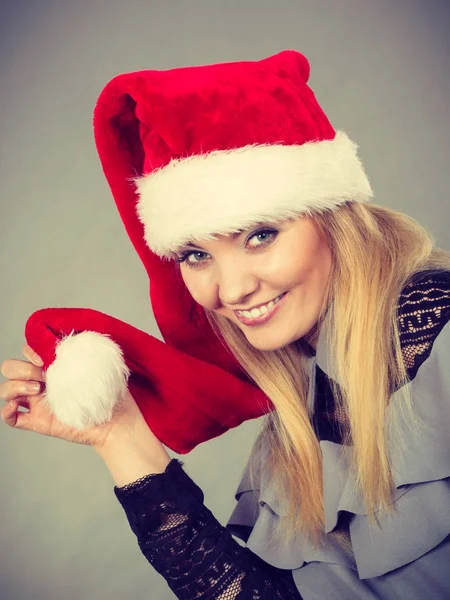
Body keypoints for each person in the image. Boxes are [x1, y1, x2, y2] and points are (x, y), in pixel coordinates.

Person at [2, 49, 450, 599]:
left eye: (260, 235)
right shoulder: (297, 407)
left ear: (335, 218)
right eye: (195, 255)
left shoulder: (441, 346)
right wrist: (118, 434)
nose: (231, 289)